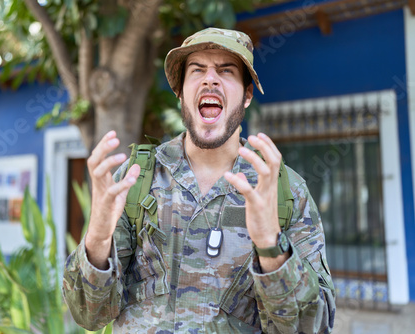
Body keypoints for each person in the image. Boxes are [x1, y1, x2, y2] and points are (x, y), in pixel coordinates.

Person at [63, 27, 336, 333]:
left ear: (246, 95)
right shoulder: (136, 179)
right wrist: (97, 238)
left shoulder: (283, 192)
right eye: (197, 70)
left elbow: (313, 327)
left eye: (225, 70)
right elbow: (88, 315)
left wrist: (272, 247)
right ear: (180, 92)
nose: (210, 79)